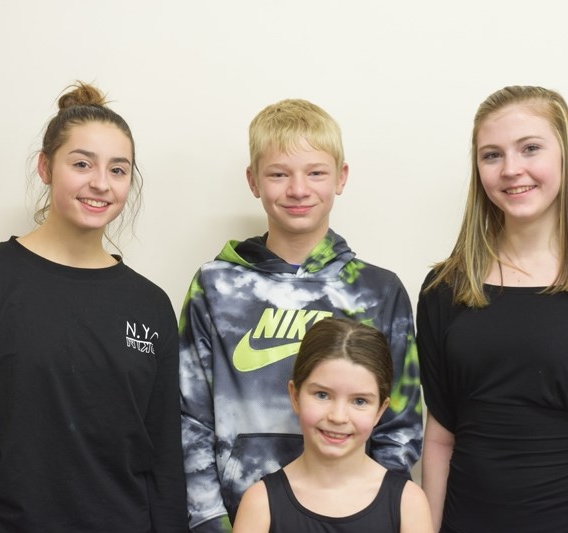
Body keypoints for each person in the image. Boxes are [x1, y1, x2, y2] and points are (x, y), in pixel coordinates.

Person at [0, 82, 187, 532]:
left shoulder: (150, 306)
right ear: (45, 167)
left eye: (118, 170)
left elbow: (164, 462)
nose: (100, 183)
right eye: (82, 164)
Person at [416, 85, 568, 532]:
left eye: (530, 148)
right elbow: (439, 440)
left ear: (565, 155)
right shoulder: (444, 290)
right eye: (492, 155)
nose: (512, 170)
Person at [179, 98, 423, 532]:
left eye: (315, 172)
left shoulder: (378, 292)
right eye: (278, 174)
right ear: (254, 181)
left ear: (340, 178)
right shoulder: (214, 288)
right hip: (240, 519)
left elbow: (399, 422)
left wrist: (376, 515)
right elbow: (189, 418)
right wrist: (210, 521)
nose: (297, 189)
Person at [233, 318, 433, 533]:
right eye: (322, 395)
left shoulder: (409, 504)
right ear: (295, 396)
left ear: (380, 411)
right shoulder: (259, 503)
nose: (338, 417)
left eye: (360, 401)